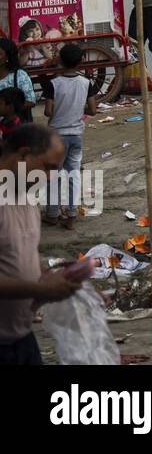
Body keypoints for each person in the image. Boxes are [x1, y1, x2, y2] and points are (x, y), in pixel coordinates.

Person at [0, 123, 81, 364]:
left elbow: (20, 256)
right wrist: (41, 290)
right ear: (24, 154)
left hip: (21, 338)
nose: (49, 177)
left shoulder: (26, 198)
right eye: (47, 167)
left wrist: (53, 276)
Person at [40, 44, 95, 229]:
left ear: (60, 60)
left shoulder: (53, 84)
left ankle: (52, 214)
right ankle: (71, 215)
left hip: (57, 136)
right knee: (74, 175)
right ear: (80, 62)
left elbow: (48, 112)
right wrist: (79, 108)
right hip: (76, 135)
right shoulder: (86, 83)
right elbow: (93, 110)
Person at [0, 40, 35, 122]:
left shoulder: (19, 75)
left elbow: (31, 101)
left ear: (7, 57)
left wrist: (9, 110)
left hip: (13, 127)